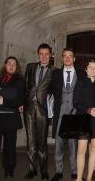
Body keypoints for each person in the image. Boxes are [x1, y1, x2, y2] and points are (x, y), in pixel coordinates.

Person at [0, 56, 25, 179]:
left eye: (14, 64)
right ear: (5, 65)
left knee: (10, 146)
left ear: (17, 67)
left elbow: (21, 100)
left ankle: (9, 170)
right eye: (9, 63)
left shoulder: (20, 81)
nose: (12, 65)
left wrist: (5, 102)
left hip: (10, 119)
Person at [73, 58, 95, 181]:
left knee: (94, 149)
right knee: (81, 150)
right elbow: (76, 102)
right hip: (83, 119)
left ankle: (89, 178)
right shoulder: (81, 82)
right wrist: (89, 110)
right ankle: (78, 178)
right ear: (86, 69)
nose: (93, 70)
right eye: (90, 67)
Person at [24, 43, 54, 180]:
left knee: (42, 143)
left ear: (51, 55)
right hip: (29, 108)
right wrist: (23, 103)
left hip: (43, 109)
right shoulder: (30, 67)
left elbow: (55, 90)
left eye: (46, 54)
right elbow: (25, 86)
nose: (44, 56)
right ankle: (32, 169)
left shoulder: (55, 70)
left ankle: (43, 171)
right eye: (41, 54)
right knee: (31, 141)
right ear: (38, 54)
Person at [50, 48, 78, 181]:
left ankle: (74, 170)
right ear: (62, 58)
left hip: (74, 113)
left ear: (74, 59)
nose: (67, 58)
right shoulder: (55, 73)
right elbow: (48, 89)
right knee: (59, 144)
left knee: (73, 144)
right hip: (59, 113)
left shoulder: (81, 74)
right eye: (65, 56)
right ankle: (58, 171)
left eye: (70, 56)